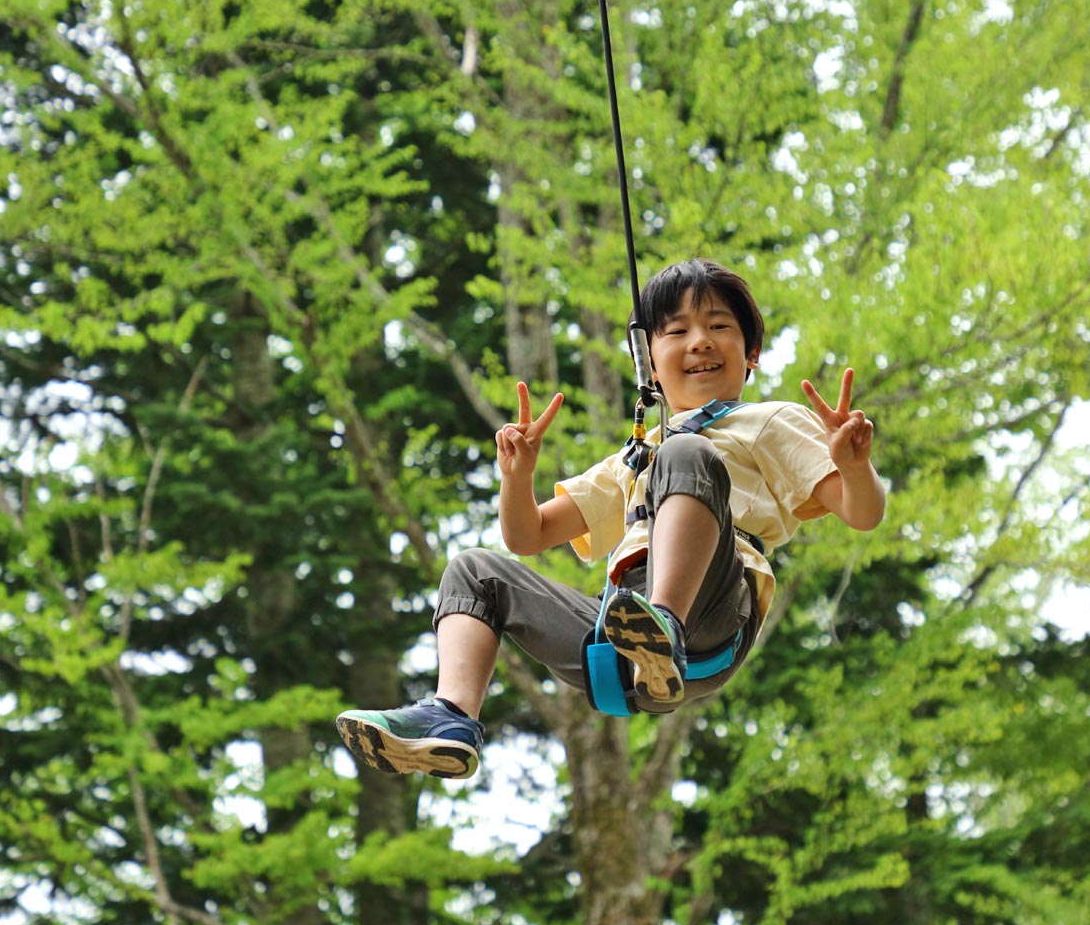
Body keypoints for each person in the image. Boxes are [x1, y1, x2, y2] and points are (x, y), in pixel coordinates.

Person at [336, 258, 886, 780]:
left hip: (714, 614)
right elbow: (527, 535)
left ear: (751, 354)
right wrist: (517, 476)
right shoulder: (636, 455)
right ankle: (452, 715)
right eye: (676, 331)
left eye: (719, 326)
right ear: (647, 358)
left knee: (686, 453)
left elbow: (863, 514)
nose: (699, 341)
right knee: (474, 571)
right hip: (618, 644)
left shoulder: (766, 422)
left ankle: (662, 627)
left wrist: (854, 467)